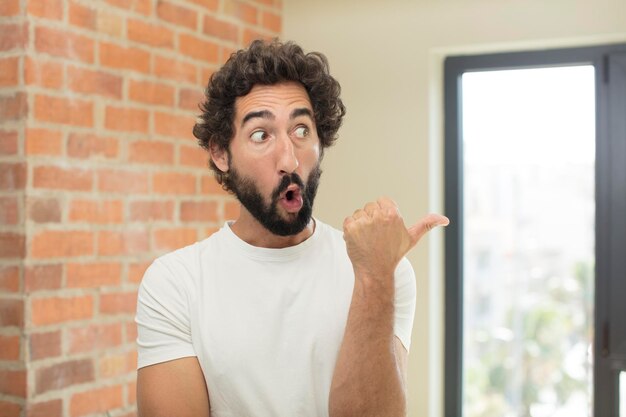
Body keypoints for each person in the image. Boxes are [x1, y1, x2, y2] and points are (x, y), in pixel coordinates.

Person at [135, 39, 449, 417]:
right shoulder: (176, 283)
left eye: (301, 130)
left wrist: (375, 277)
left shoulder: (383, 271)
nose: (288, 159)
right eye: (260, 135)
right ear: (221, 153)